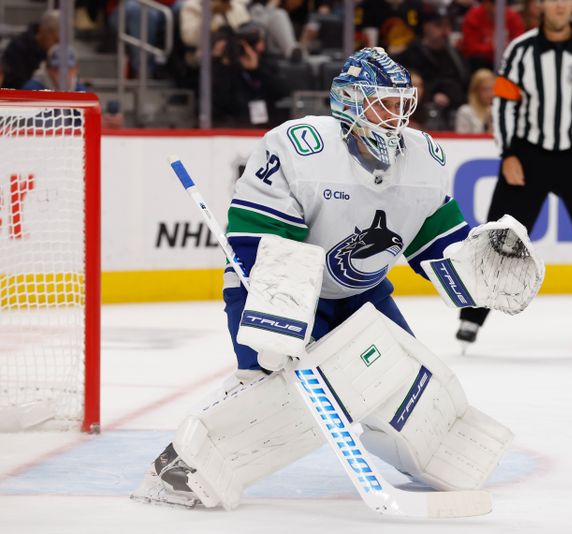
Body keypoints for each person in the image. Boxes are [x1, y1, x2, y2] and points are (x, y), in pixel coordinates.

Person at [130, 47, 542, 510]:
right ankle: (182, 467)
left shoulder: (423, 159)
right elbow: (261, 250)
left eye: (402, 103)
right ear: (349, 102)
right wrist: (281, 326)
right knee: (274, 392)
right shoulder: (299, 149)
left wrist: (480, 263)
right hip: (272, 287)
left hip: (360, 294)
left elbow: (438, 245)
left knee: (403, 382)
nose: (397, 115)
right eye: (383, 103)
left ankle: (440, 458)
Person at [455, 0, 572, 356]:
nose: (559, 4)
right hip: (528, 156)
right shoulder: (521, 50)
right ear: (540, 5)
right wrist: (509, 152)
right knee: (498, 240)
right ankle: (471, 317)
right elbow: (505, 103)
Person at [395, 4, 470, 128]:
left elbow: (465, 82)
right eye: (439, 25)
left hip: (456, 114)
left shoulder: (455, 54)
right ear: (425, 26)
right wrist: (430, 96)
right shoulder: (410, 55)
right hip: (420, 116)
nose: (445, 31)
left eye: (448, 26)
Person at [0, 10, 60, 89]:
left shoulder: (54, 52)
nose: (56, 45)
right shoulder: (18, 47)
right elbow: (14, 82)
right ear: (43, 30)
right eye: (55, 40)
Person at [460, 0, 524, 72]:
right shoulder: (473, 17)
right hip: (483, 64)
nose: (499, 7)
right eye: (494, 3)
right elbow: (470, 48)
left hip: (507, 60)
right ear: (486, 3)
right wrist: (495, 47)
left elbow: (520, 44)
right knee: (477, 59)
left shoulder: (512, 17)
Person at [22, 44, 89, 92]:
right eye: (57, 68)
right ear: (48, 69)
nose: (63, 73)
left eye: (68, 68)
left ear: (76, 69)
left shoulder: (82, 92)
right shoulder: (31, 90)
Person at [454, 68, 495, 133]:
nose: (490, 94)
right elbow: (462, 140)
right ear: (475, 91)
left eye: (492, 89)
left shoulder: (499, 111)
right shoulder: (465, 112)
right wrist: (486, 124)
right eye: (485, 89)